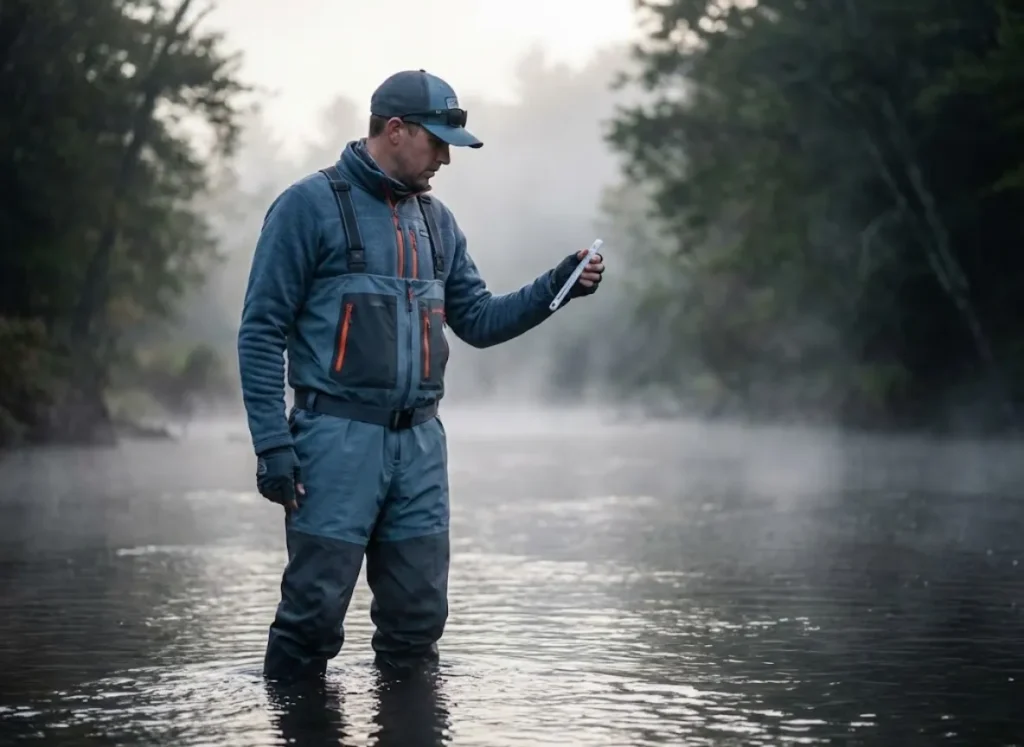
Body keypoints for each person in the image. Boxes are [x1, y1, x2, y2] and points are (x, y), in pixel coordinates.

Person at [237, 69, 605, 682]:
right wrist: (273, 445)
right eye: (435, 142)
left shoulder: (438, 224)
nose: (444, 159)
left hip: (422, 448)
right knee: (312, 618)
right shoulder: (306, 207)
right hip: (334, 441)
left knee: (417, 624)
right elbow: (260, 332)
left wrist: (557, 287)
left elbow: (480, 320)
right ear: (396, 130)